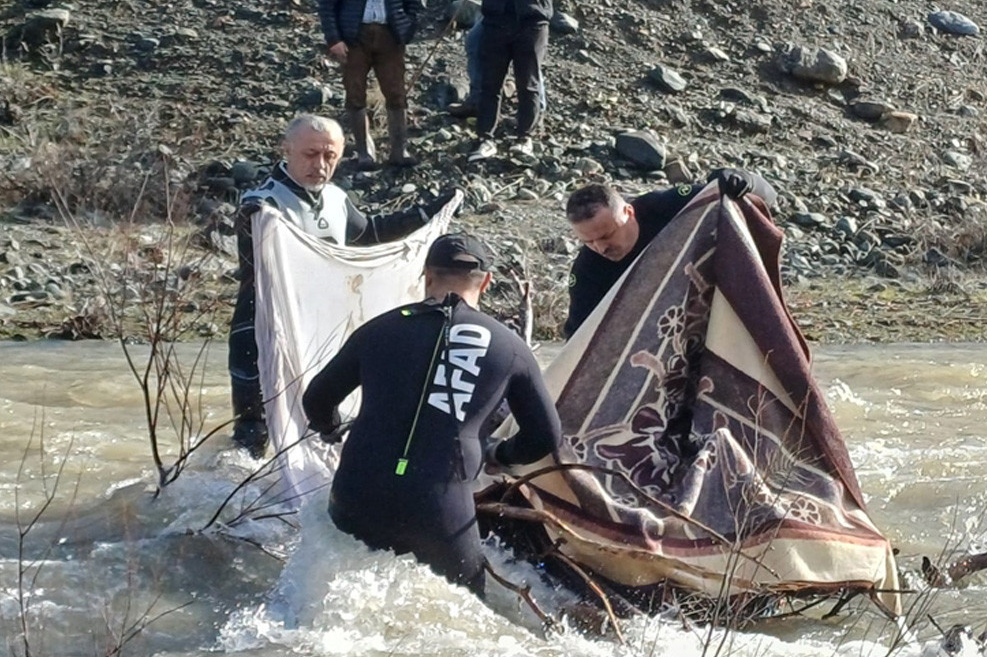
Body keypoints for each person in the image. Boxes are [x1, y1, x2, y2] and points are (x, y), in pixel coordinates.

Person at [302, 233, 562, 595]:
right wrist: (497, 454)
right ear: (485, 281)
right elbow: (546, 437)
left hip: (358, 490)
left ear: (425, 276)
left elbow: (316, 398)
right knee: (466, 615)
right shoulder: (508, 346)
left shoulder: (378, 329)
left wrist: (330, 428)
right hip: (441, 506)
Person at [228, 115, 456, 457]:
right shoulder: (261, 205)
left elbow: (370, 234)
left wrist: (426, 214)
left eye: (329, 156)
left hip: (318, 331)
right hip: (259, 333)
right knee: (253, 441)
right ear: (286, 150)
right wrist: (258, 218)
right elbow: (257, 252)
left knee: (316, 425)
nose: (320, 164)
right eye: (309, 154)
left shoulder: (335, 198)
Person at [563, 169, 778, 338]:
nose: (600, 248)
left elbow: (766, 195)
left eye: (606, 235)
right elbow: (579, 341)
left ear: (629, 212)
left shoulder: (667, 207)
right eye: (588, 242)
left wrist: (744, 181)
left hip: (721, 308)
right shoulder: (588, 272)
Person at [319, 0, 421, 169]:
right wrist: (334, 39)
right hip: (355, 39)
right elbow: (327, 4)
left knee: (396, 93)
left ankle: (398, 151)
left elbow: (411, 2)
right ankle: (364, 153)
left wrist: (405, 30)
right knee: (355, 94)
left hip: (390, 39)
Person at [466, 0, 561, 162]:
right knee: (490, 83)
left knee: (528, 84)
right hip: (495, 22)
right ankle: (485, 138)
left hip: (531, 25)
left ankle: (524, 138)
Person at [447, 14, 546, 119]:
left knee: (528, 57)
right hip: (499, 6)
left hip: (529, 9)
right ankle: (477, 101)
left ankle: (536, 110)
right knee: (475, 41)